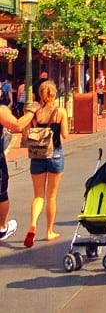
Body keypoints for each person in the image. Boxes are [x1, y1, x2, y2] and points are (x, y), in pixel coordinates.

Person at [21, 81, 69, 246]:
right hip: (55, 154)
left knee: (38, 196)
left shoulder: (34, 112)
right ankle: (49, 231)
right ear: (54, 94)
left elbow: (26, 134)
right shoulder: (60, 111)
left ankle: (33, 224)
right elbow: (65, 134)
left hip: (37, 156)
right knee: (52, 196)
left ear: (40, 94)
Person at [0, 102, 37, 242]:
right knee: (1, 193)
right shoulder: (1, 110)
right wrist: (31, 112)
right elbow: (17, 125)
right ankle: (2, 228)